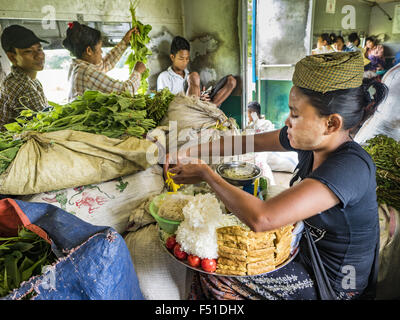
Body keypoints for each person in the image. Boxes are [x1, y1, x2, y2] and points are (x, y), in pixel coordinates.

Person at [166, 51, 388, 300]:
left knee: (218, 273)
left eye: (295, 114)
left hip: (332, 285)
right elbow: (244, 144)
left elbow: (262, 218)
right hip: (304, 250)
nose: (287, 120)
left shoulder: (351, 167)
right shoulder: (310, 141)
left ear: (331, 124)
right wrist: (187, 151)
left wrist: (207, 174)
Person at [63, 21, 147, 102]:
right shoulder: (86, 72)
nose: (101, 52)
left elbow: (106, 63)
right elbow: (125, 91)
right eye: (99, 48)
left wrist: (125, 41)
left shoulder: (77, 66)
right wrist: (137, 72)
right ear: (89, 51)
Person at [157, 36, 237, 107]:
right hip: (182, 111)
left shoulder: (190, 75)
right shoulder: (164, 77)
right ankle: (199, 110)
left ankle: (211, 109)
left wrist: (202, 97)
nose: (185, 62)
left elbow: (199, 94)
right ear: (172, 57)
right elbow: (164, 104)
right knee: (194, 76)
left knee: (231, 81)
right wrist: (192, 100)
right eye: (181, 59)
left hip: (199, 106)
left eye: (187, 58)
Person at [0, 25, 49, 128]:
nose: (39, 55)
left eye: (39, 49)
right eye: (28, 51)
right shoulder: (22, 85)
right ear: (12, 57)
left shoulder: (29, 80)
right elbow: (45, 123)